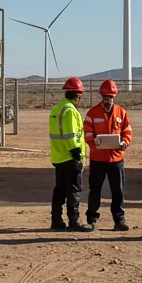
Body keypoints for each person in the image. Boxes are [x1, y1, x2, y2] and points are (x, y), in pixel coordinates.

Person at [83, 79, 133, 231]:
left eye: (109, 98)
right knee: (95, 189)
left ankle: (119, 220)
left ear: (114, 97)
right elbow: (86, 132)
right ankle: (91, 218)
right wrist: (93, 140)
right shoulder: (92, 113)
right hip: (98, 159)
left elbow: (127, 132)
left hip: (116, 159)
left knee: (118, 190)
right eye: (105, 98)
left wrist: (124, 142)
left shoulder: (121, 113)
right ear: (101, 97)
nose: (107, 101)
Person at [48, 77, 93, 232]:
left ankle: (56, 220)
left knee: (60, 189)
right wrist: (76, 154)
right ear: (78, 94)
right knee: (73, 189)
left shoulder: (57, 109)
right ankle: (73, 221)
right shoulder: (70, 111)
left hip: (58, 156)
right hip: (69, 156)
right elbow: (70, 135)